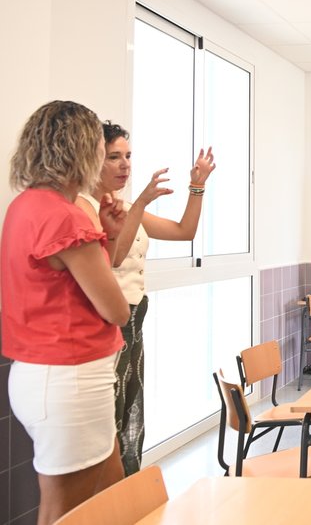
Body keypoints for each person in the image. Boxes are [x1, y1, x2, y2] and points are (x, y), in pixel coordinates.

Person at [2, 100, 131, 523]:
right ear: (82, 150)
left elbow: (82, 284)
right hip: (68, 380)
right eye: (102, 148)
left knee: (114, 491)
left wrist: (107, 237)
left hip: (46, 374)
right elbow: (116, 309)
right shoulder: (66, 219)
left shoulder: (25, 207)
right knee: (65, 512)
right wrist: (98, 237)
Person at [75, 122, 215, 476]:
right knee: (112, 411)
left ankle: (128, 489)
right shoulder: (85, 207)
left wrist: (197, 185)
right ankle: (111, 497)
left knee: (130, 411)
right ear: (92, 160)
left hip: (135, 318)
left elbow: (185, 232)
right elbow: (114, 258)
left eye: (128, 156)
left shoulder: (122, 205)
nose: (125, 165)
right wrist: (139, 203)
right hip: (106, 322)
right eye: (114, 157)